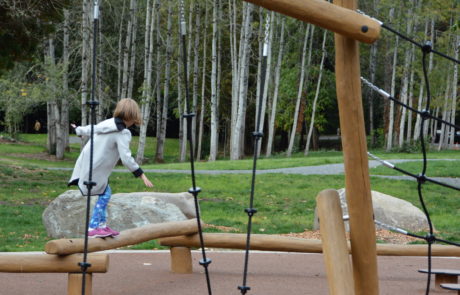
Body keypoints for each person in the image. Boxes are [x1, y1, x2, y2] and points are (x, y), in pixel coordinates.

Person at [68, 98, 153, 238]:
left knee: (105, 193)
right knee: (105, 194)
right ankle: (93, 227)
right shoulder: (122, 133)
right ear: (133, 116)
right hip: (96, 168)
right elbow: (126, 158)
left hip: (88, 164)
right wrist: (141, 174)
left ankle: (101, 226)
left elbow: (92, 128)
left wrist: (78, 129)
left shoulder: (108, 123)